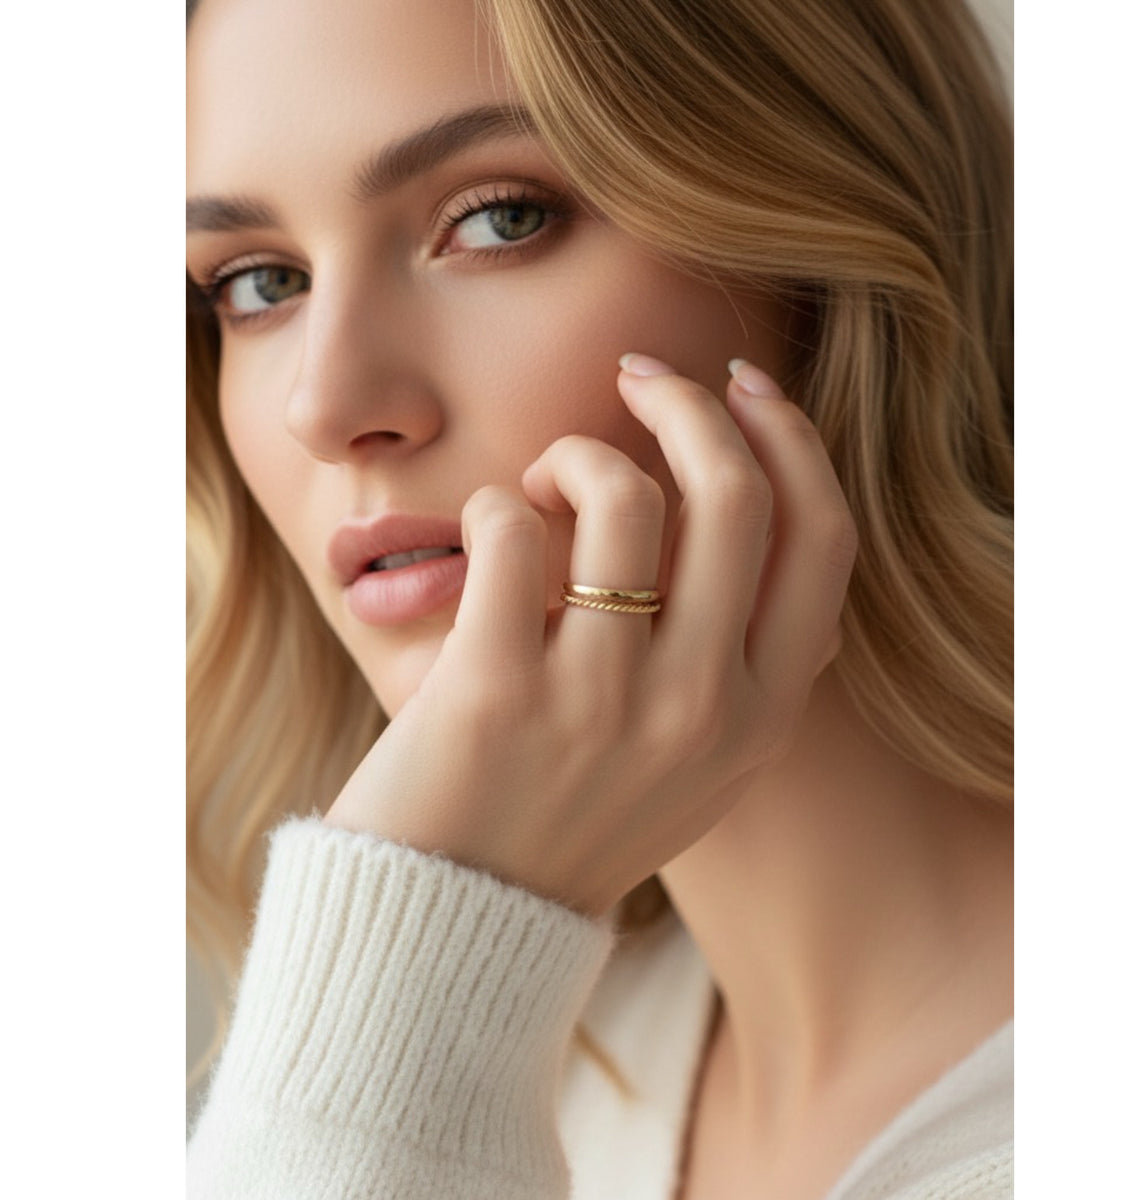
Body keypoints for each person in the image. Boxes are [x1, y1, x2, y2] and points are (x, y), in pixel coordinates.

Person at [185, 0, 1013, 1195]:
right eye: (260, 283)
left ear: (823, 260)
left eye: (498, 218)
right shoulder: (536, 1070)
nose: (324, 403)